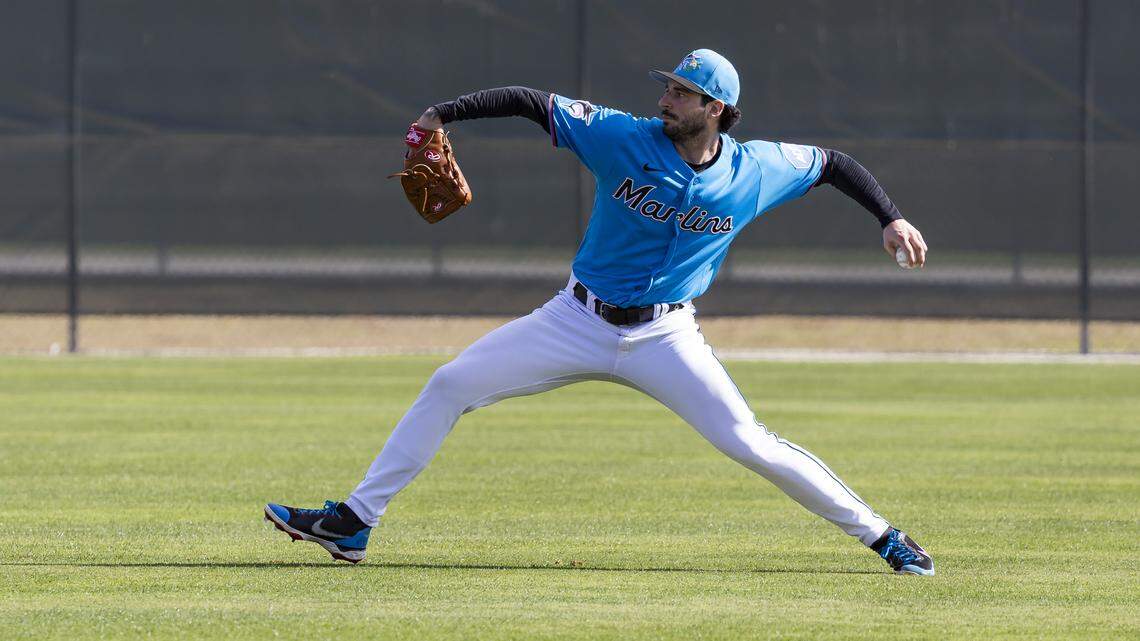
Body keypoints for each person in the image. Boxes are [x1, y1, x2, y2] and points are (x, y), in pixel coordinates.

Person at [264, 49, 934, 575]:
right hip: (574, 320)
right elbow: (531, 101)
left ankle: (883, 536)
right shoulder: (619, 135)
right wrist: (443, 113)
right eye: (667, 87)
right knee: (450, 384)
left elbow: (833, 163)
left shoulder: (757, 168)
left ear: (717, 108)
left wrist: (891, 217)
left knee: (750, 442)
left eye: (680, 92)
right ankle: (354, 521)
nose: (664, 99)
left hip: (667, 335)